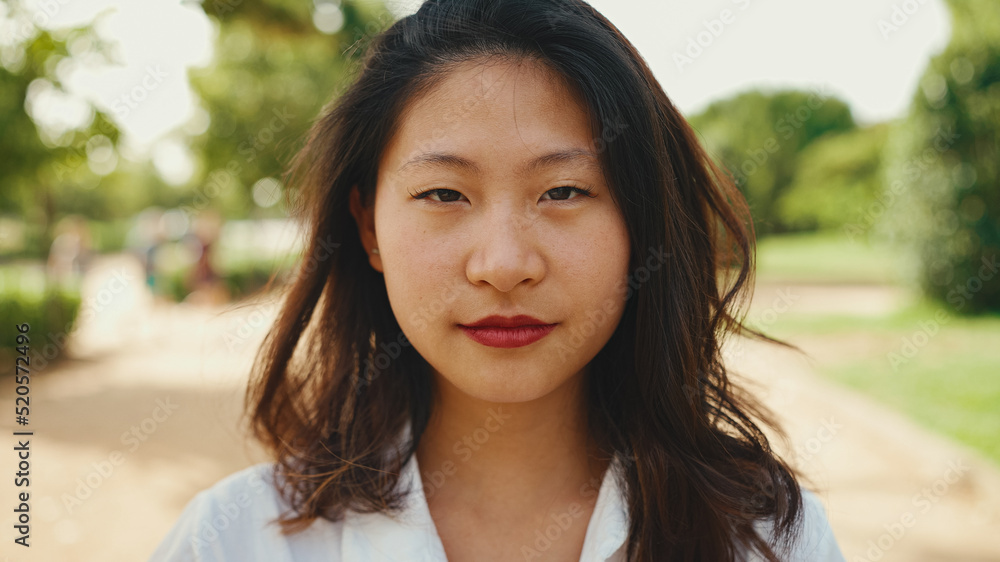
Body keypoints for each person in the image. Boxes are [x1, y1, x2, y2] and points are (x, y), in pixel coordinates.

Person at [150, 0, 847, 560]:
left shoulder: (765, 539)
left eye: (565, 191)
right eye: (444, 195)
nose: (505, 264)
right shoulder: (232, 540)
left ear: (642, 221)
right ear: (368, 228)